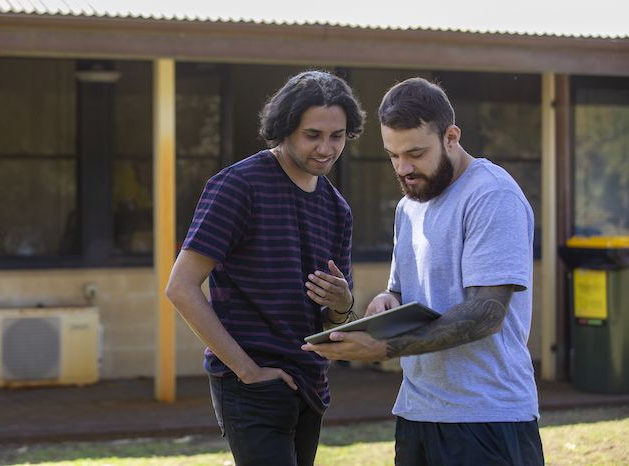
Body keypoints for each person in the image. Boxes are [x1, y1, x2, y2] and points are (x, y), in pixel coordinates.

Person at [302, 77, 544, 465]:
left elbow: (486, 313)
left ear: (451, 136)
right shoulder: (409, 205)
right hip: (417, 413)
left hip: (488, 418)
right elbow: (401, 290)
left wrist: (383, 348)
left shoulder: (492, 196)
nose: (404, 168)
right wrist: (386, 302)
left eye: (415, 153)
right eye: (393, 155)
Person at [165, 70, 365, 466]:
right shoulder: (239, 185)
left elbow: (333, 322)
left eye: (337, 136)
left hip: (310, 384)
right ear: (285, 128)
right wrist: (248, 371)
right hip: (250, 383)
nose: (326, 148)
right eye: (313, 135)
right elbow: (181, 287)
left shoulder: (337, 209)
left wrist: (343, 303)